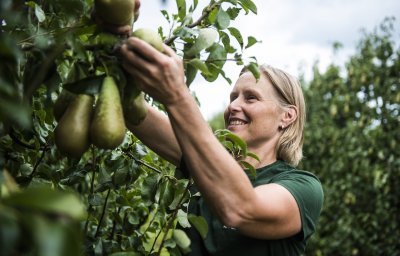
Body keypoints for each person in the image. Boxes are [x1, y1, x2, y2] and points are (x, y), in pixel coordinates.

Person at [96, 1, 324, 255]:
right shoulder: (207, 160)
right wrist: (119, 37)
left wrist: (177, 95)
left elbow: (241, 209)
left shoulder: (303, 188)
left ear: (287, 116)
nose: (234, 106)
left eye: (251, 98)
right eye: (232, 97)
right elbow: (132, 110)